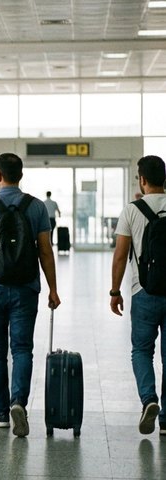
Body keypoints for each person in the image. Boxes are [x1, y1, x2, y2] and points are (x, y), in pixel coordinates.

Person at [0, 152, 60, 438]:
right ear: (21, 175)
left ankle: (2, 414)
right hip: (26, 288)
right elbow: (45, 250)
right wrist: (53, 288)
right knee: (22, 349)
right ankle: (19, 402)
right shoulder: (36, 207)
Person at [110, 155, 166, 435]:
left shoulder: (131, 210)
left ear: (142, 180)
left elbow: (120, 256)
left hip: (143, 290)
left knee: (142, 350)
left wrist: (115, 291)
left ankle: (149, 399)